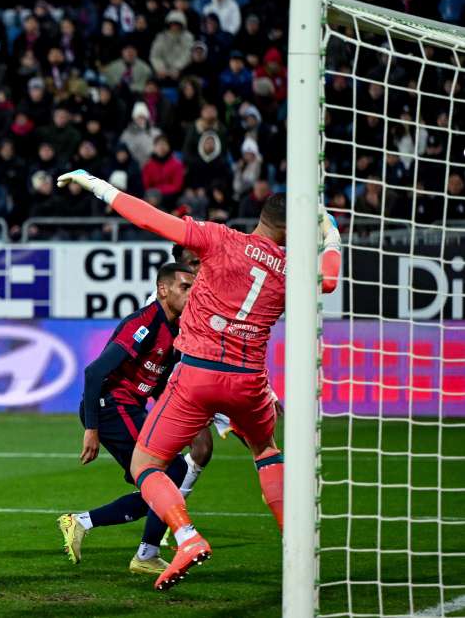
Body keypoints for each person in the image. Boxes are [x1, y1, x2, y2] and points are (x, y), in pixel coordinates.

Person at [56, 168, 341, 591]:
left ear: (262, 217)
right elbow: (329, 280)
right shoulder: (291, 269)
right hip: (250, 382)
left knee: (146, 465)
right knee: (266, 450)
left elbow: (149, 218)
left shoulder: (220, 239)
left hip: (198, 375)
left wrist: (96, 184)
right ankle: (296, 547)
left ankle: (186, 537)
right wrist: (331, 236)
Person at [58, 263, 197, 576]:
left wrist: (178, 421)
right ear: (163, 290)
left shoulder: (177, 330)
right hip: (111, 407)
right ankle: (145, 553)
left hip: (130, 408)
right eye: (185, 287)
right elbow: (94, 372)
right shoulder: (144, 323)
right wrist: (91, 429)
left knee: (166, 479)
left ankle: (83, 523)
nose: (191, 294)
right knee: (167, 473)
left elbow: (157, 386)